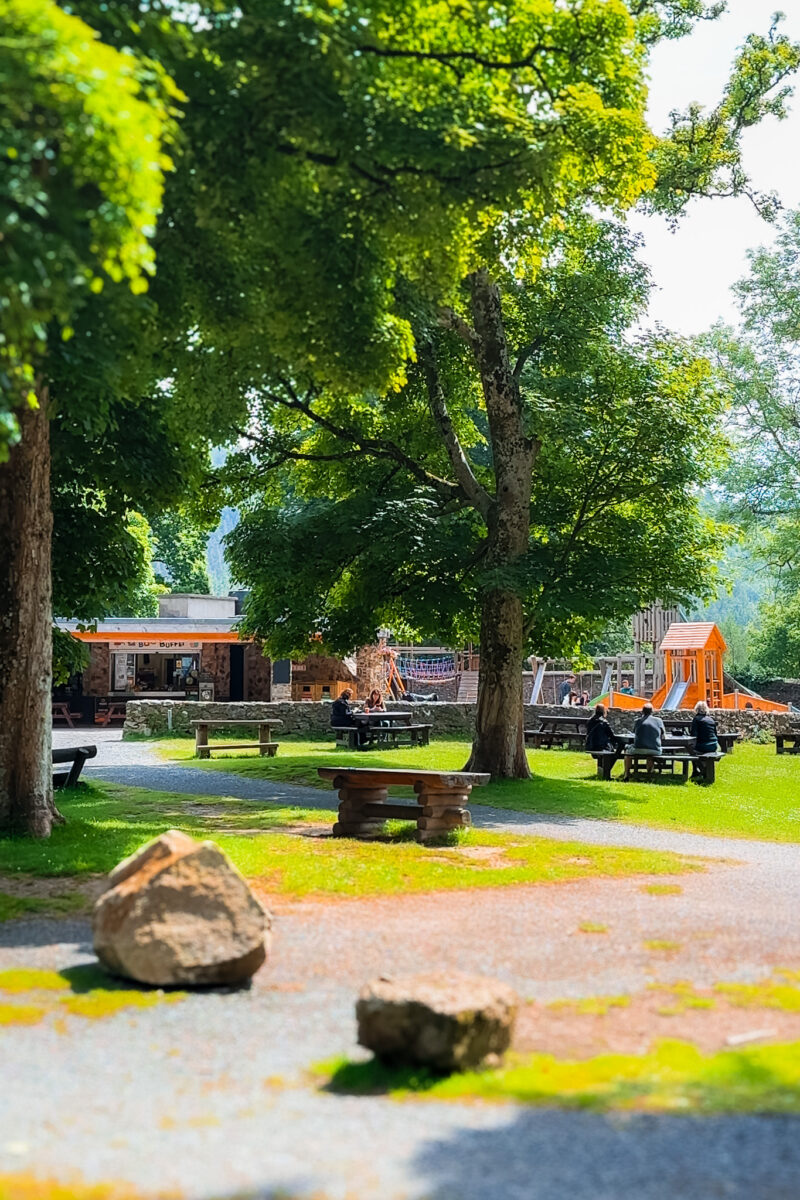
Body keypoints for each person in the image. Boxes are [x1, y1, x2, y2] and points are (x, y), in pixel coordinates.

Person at [623, 702, 666, 780]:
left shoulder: (638, 721)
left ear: (642, 711)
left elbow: (634, 733)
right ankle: (649, 773)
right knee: (650, 755)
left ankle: (627, 774)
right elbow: (663, 736)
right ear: (652, 711)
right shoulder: (659, 721)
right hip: (655, 750)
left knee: (627, 751)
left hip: (639, 749)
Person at [690, 701, 719, 775]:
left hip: (703, 745)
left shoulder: (696, 719)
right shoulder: (711, 720)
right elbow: (715, 734)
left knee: (690, 750)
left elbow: (693, 735)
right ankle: (704, 770)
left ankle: (696, 771)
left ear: (696, 709)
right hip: (714, 745)